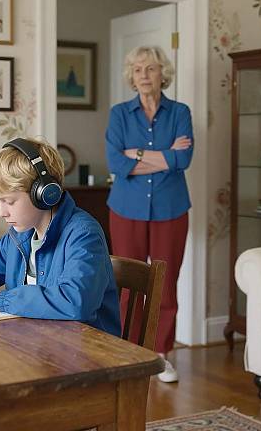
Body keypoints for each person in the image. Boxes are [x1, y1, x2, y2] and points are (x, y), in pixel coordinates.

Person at [0, 137, 121, 337]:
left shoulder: (83, 234)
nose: (1, 212)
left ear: (45, 193)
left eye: (9, 201)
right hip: (39, 345)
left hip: (88, 353)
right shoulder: (22, 235)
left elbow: (76, 301)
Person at [105, 46, 193, 382]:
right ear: (131, 75)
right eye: (138, 69)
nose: (144, 75)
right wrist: (164, 155)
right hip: (125, 209)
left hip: (171, 208)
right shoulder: (119, 114)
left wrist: (137, 155)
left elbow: (183, 161)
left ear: (162, 74)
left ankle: (159, 355)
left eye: (151, 68)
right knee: (128, 280)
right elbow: (116, 163)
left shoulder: (180, 112)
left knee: (165, 281)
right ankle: (129, 353)